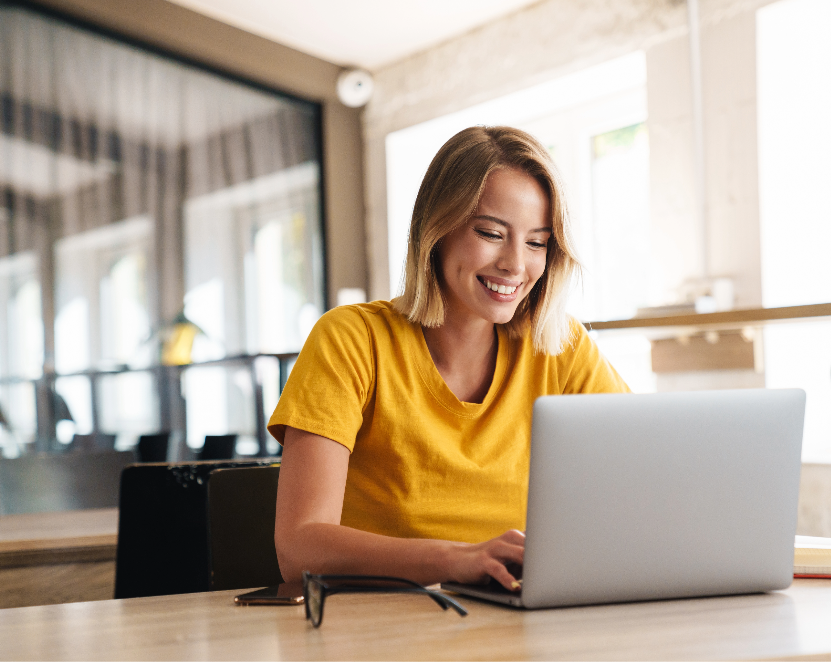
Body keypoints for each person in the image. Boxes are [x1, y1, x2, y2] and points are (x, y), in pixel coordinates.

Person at [268, 126, 629, 591]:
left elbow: (643, 481)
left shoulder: (560, 347)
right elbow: (298, 549)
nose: (516, 265)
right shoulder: (352, 339)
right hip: (378, 624)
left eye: (537, 242)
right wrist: (456, 559)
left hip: (515, 617)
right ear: (436, 230)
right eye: (491, 233)